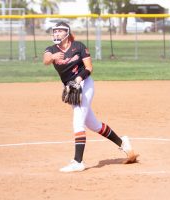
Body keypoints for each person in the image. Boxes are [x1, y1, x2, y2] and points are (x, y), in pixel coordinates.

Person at [43, 21, 139, 173]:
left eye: (60, 31)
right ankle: (123, 143)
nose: (56, 34)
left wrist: (78, 80)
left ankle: (78, 161)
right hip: (71, 87)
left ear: (67, 33)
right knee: (94, 124)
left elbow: (89, 68)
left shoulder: (79, 47)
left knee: (78, 121)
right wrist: (53, 56)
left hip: (85, 84)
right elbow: (46, 60)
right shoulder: (51, 49)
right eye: (55, 31)